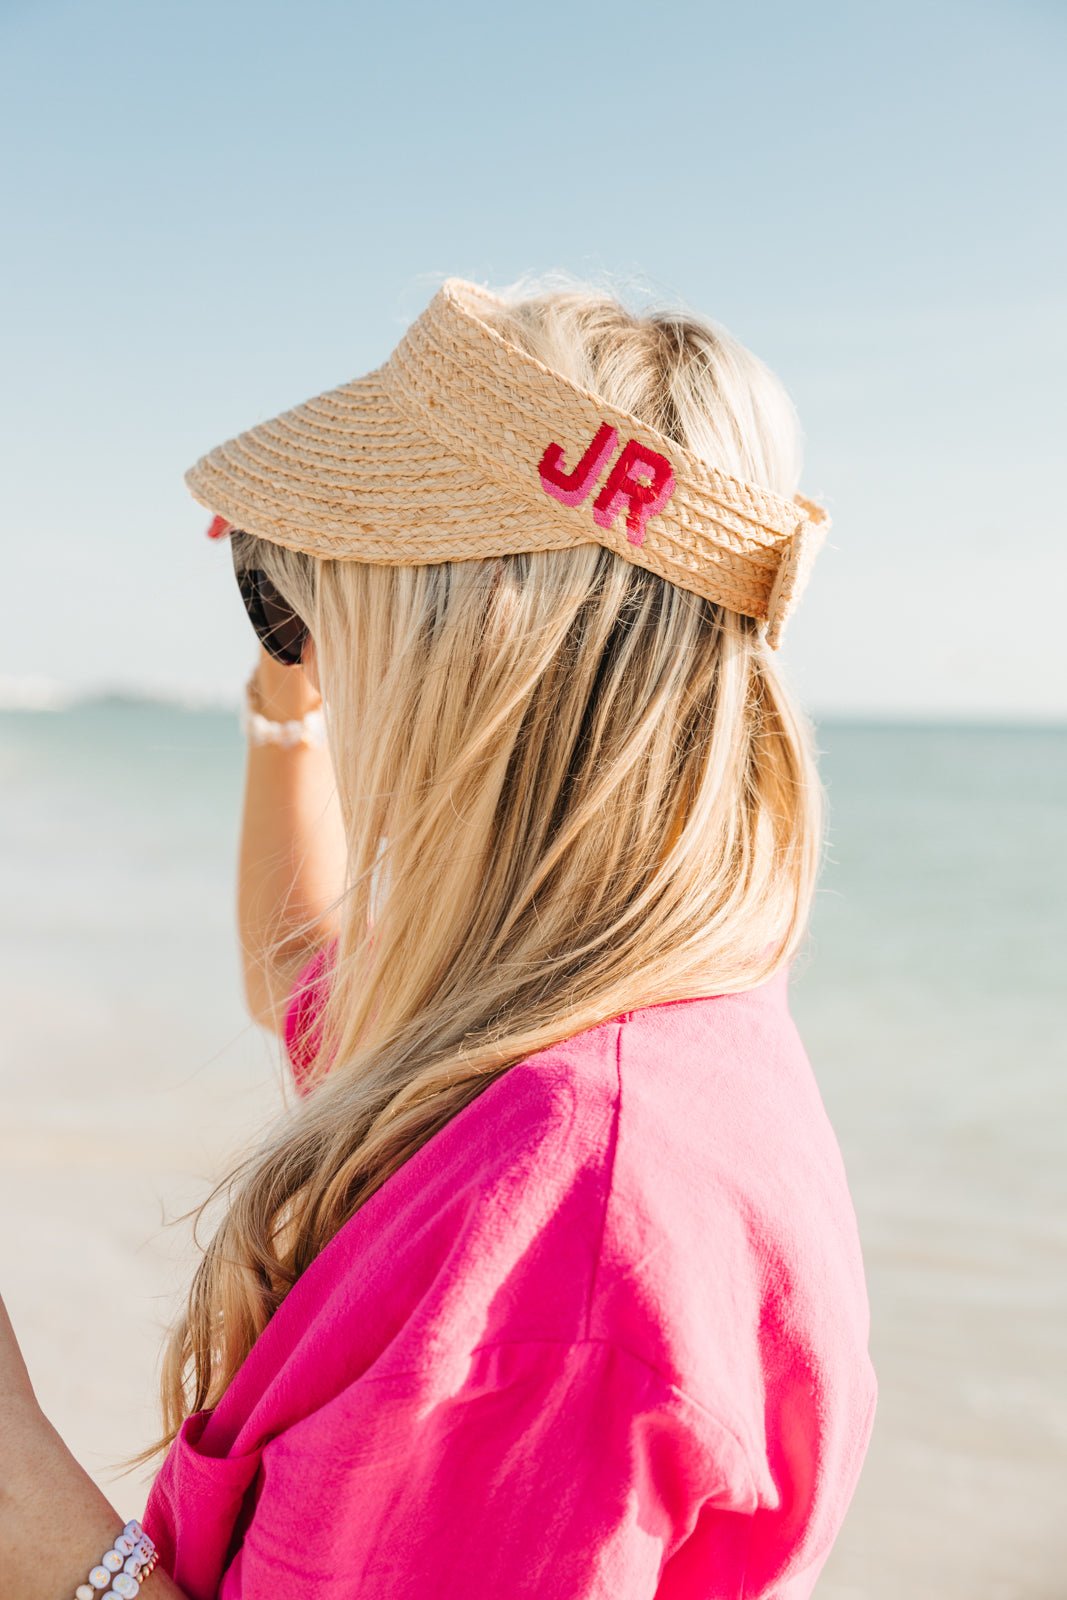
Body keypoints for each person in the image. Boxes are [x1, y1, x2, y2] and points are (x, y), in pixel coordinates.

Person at [0, 274, 877, 1599]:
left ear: (460, 641)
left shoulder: (571, 1231)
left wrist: (30, 1510)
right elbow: (294, 970)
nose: (325, 656)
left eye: (336, 593)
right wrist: (281, 702)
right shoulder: (593, 1019)